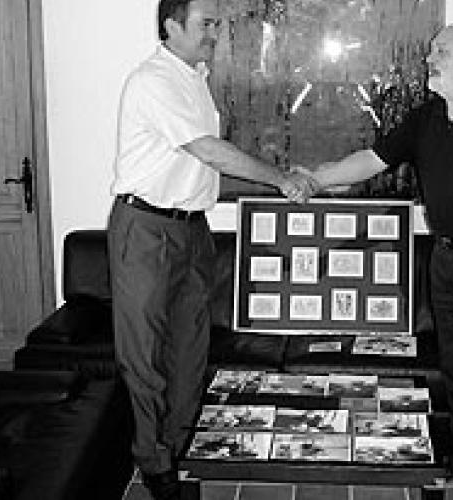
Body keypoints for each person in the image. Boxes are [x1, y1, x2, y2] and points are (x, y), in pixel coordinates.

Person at [303, 23, 453, 500]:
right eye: (431, 51)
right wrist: (314, 179)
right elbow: (372, 160)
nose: (429, 59)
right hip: (446, 256)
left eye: (441, 52)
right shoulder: (426, 117)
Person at [107, 1, 313, 499]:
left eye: (217, 24)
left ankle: (177, 448)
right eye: (206, 24)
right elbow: (208, 151)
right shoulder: (153, 80)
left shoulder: (194, 78)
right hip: (146, 231)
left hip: (192, 231)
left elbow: (203, 162)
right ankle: (153, 461)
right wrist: (281, 178)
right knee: (145, 354)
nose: (215, 33)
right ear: (171, 25)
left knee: (189, 348)